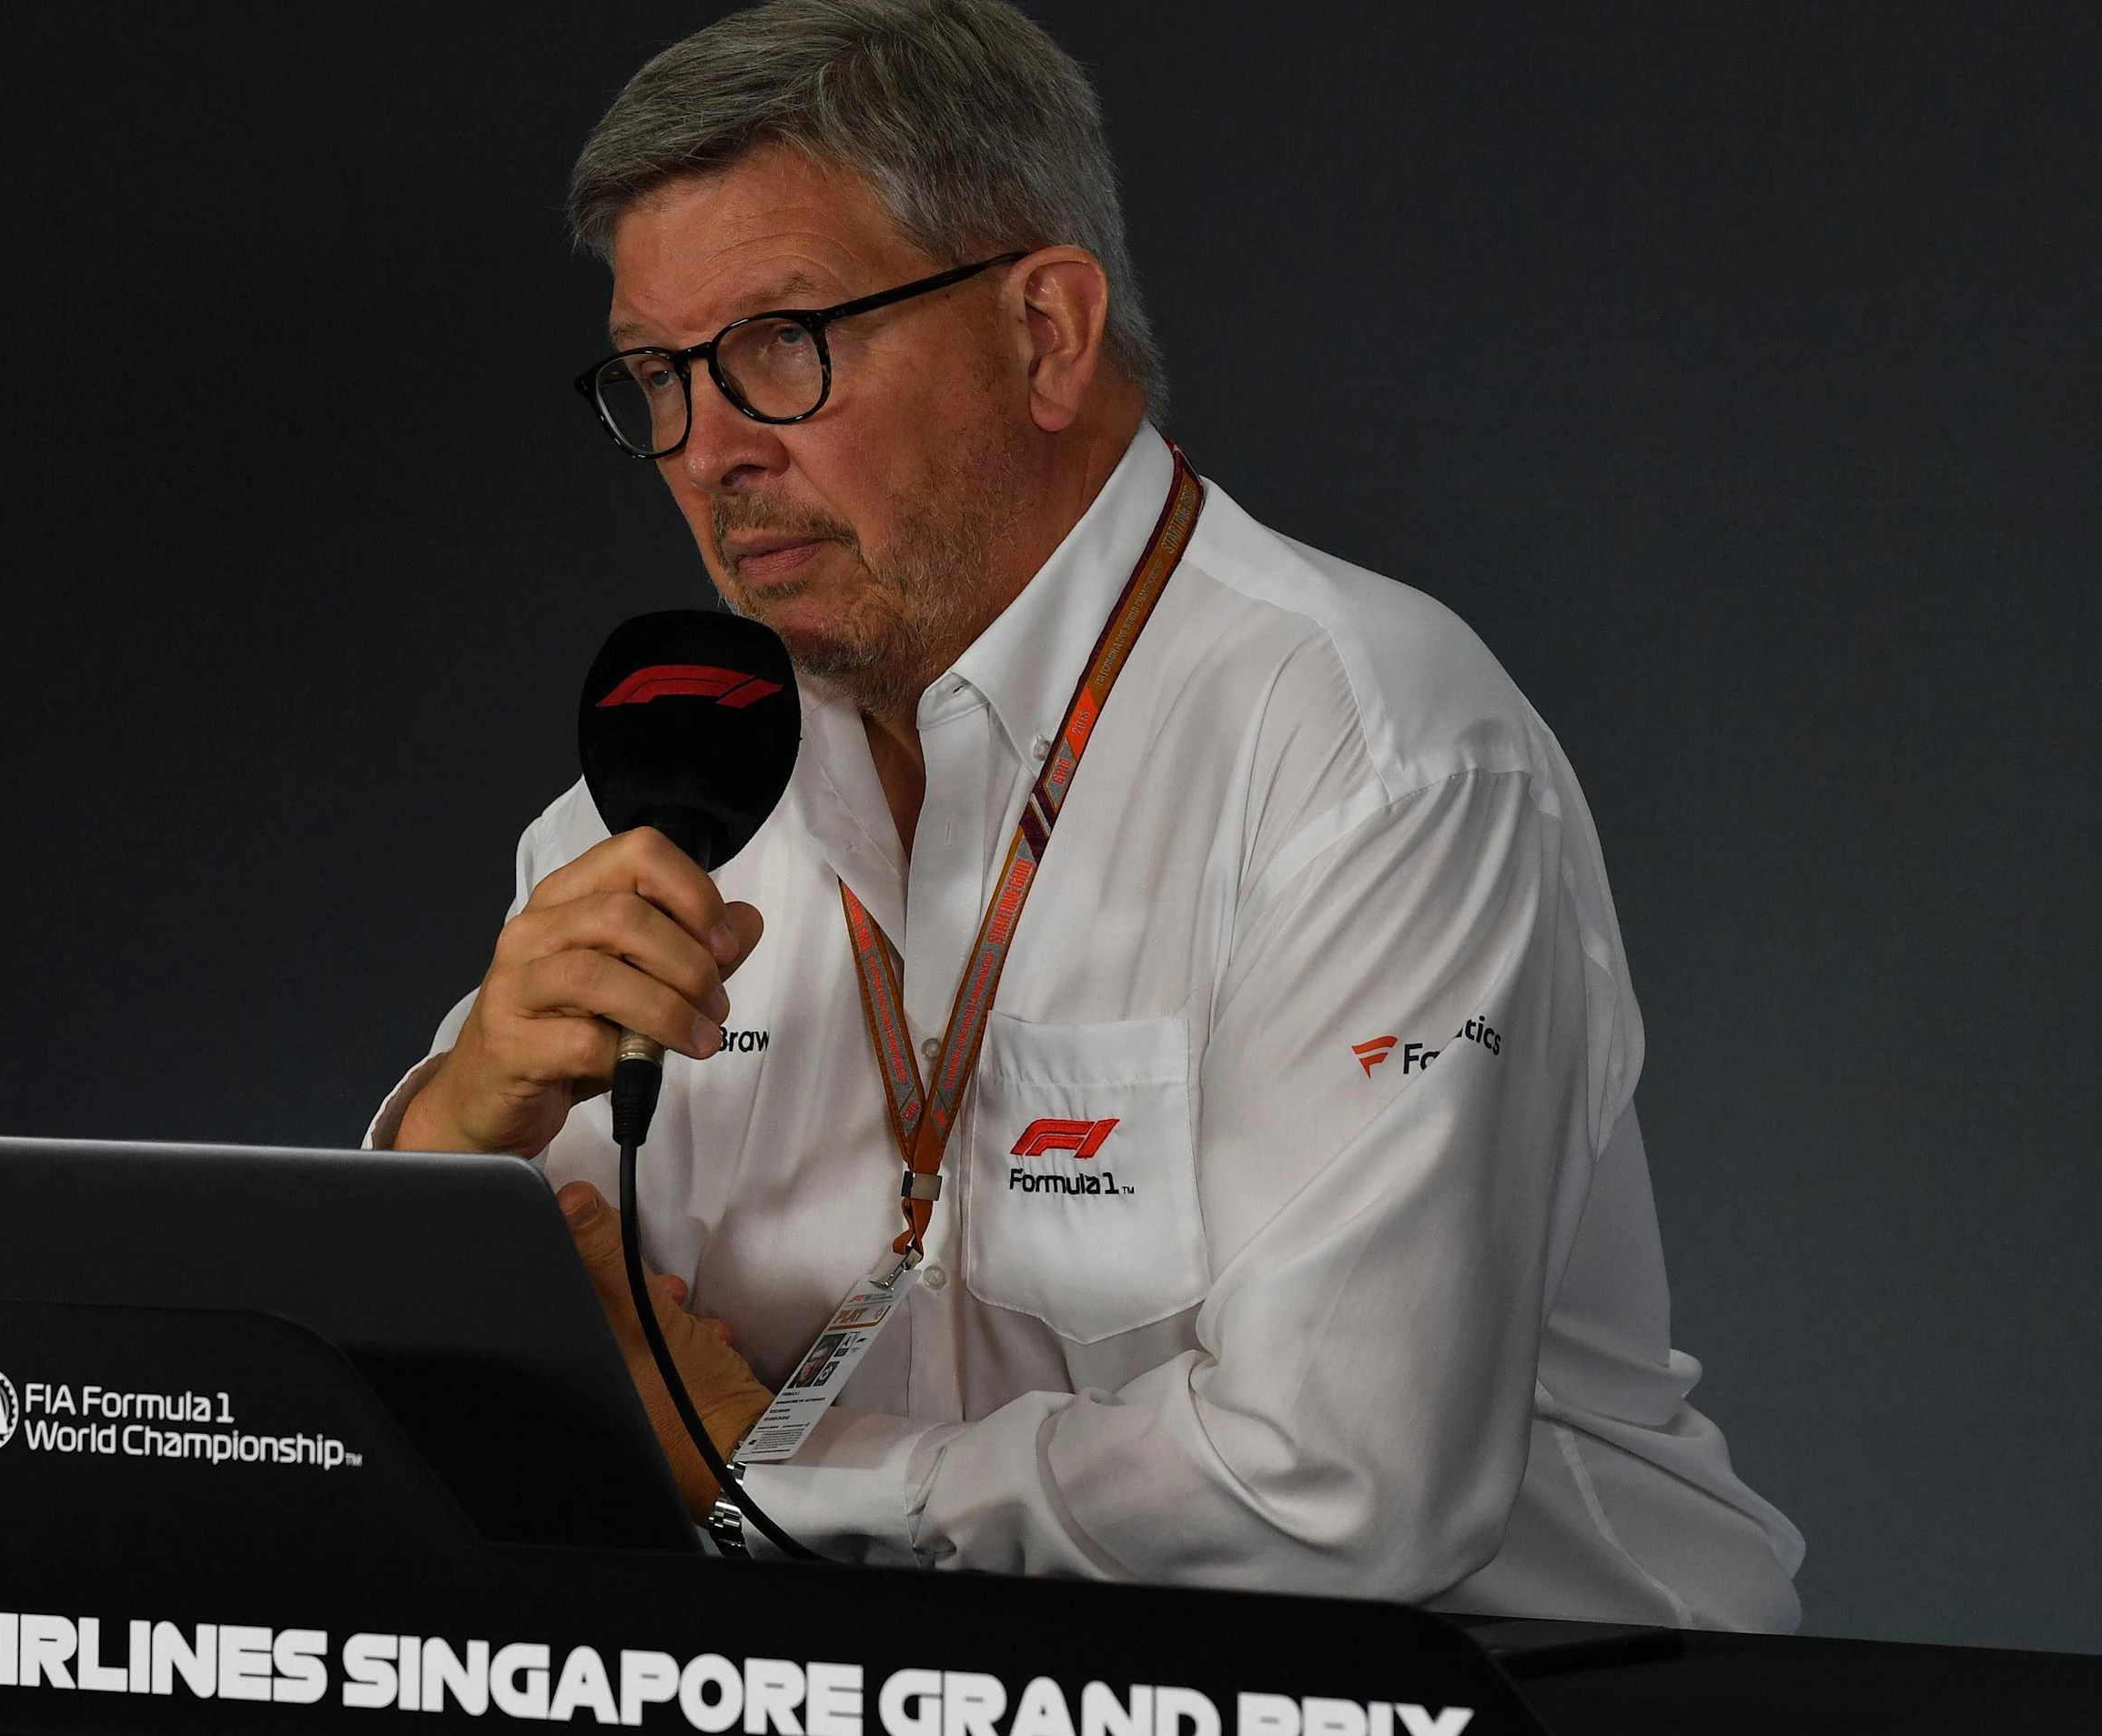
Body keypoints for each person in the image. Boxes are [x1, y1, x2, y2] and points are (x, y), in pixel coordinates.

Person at [374, 0, 1802, 1629]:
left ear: (1045, 332)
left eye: (783, 345)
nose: (710, 453)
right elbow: (497, 1361)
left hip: (1508, 1701)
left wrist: (768, 1476)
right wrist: (445, 1133)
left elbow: (1344, 1492)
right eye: (656, 377)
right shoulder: (649, 813)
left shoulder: (1367, 745)